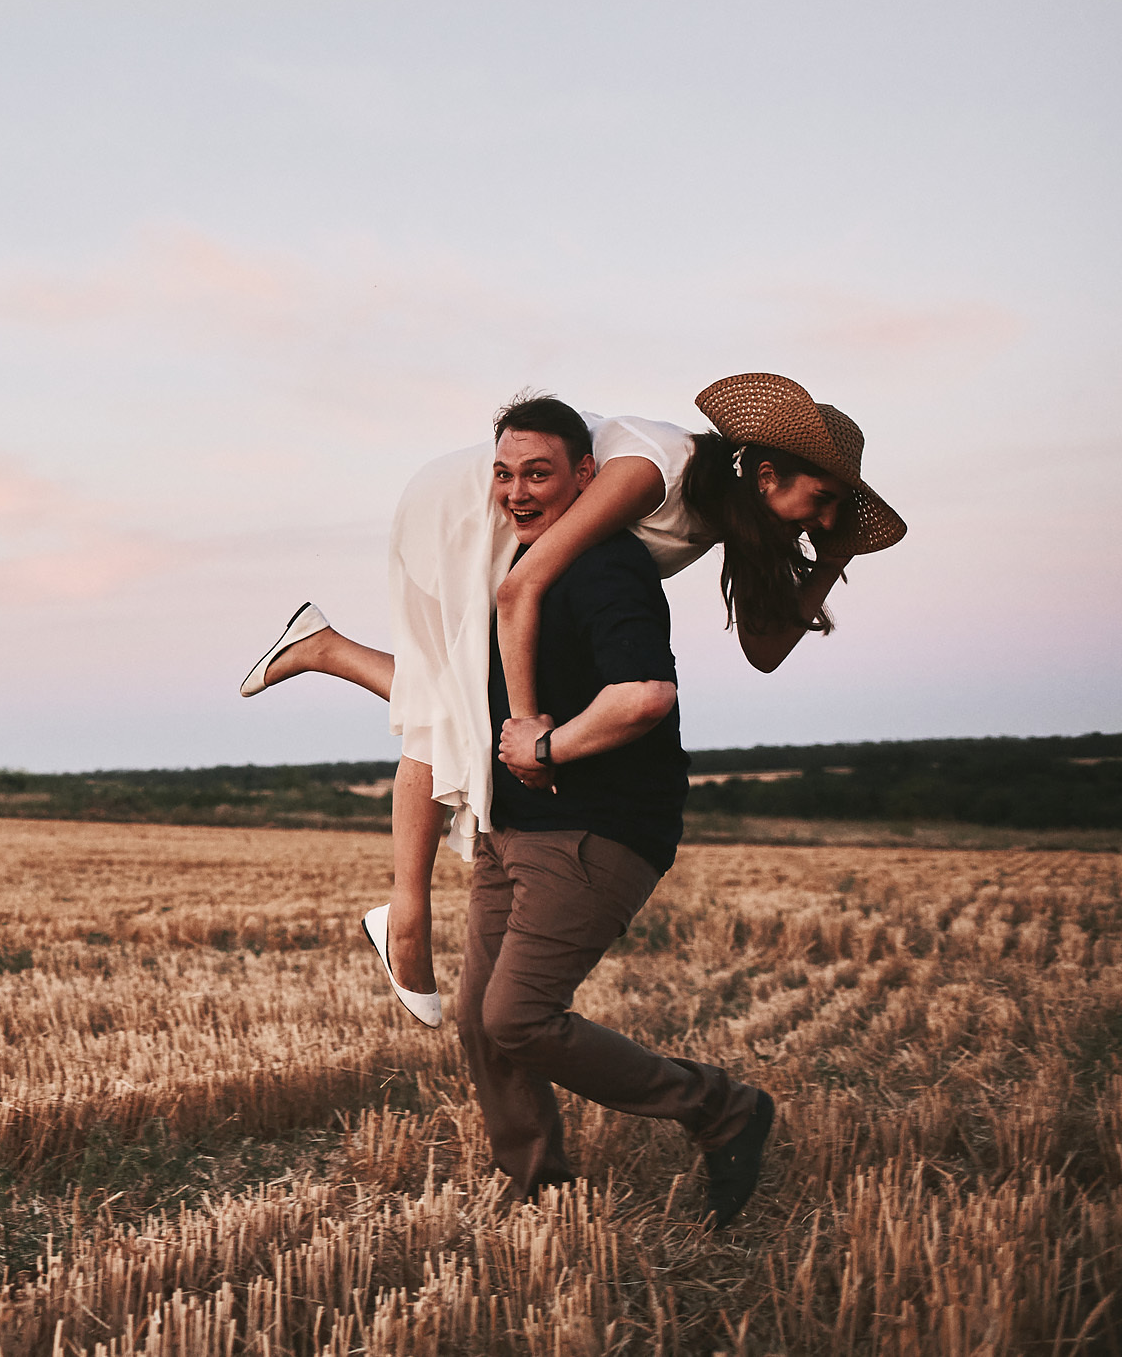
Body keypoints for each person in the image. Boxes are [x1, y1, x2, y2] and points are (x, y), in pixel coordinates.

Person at [237, 373, 903, 1024]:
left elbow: (764, 650)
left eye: (837, 509)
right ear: (766, 479)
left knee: (462, 704)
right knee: (461, 711)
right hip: (477, 507)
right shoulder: (653, 471)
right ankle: (406, 917)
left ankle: (325, 649)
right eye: (823, 498)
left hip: (522, 518)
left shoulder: (728, 516)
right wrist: (528, 737)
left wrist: (828, 556)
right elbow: (518, 591)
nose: (827, 517)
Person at [459, 399, 773, 1222]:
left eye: (538, 473)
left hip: (593, 827)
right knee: (480, 1020)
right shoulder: (521, 572)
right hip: (514, 827)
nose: (517, 491)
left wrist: (547, 749)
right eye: (504, 473)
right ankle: (539, 1191)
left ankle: (722, 1108)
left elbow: (645, 696)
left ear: (585, 476)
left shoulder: (604, 565)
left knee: (517, 1015)